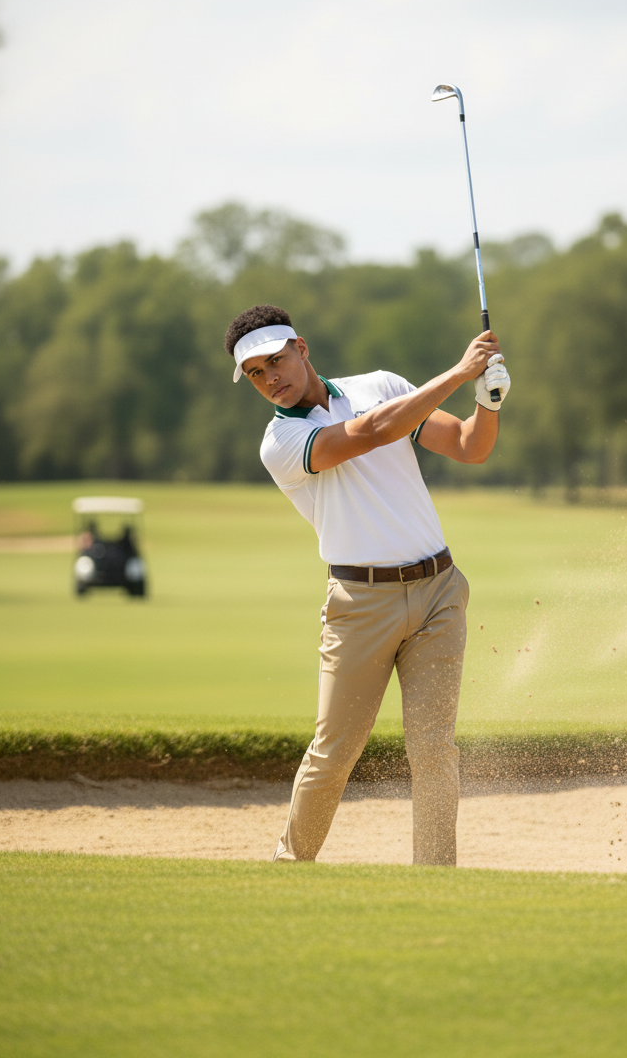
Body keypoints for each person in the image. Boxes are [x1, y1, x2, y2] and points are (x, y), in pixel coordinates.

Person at [224, 304, 510, 865]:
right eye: (255, 373)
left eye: (276, 361)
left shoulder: (380, 385)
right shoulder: (281, 441)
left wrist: (488, 402)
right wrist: (460, 373)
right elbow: (373, 431)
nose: (270, 379)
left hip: (439, 593)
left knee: (434, 749)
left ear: (301, 348)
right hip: (360, 606)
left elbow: (470, 446)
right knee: (334, 753)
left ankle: (435, 881)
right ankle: (290, 867)